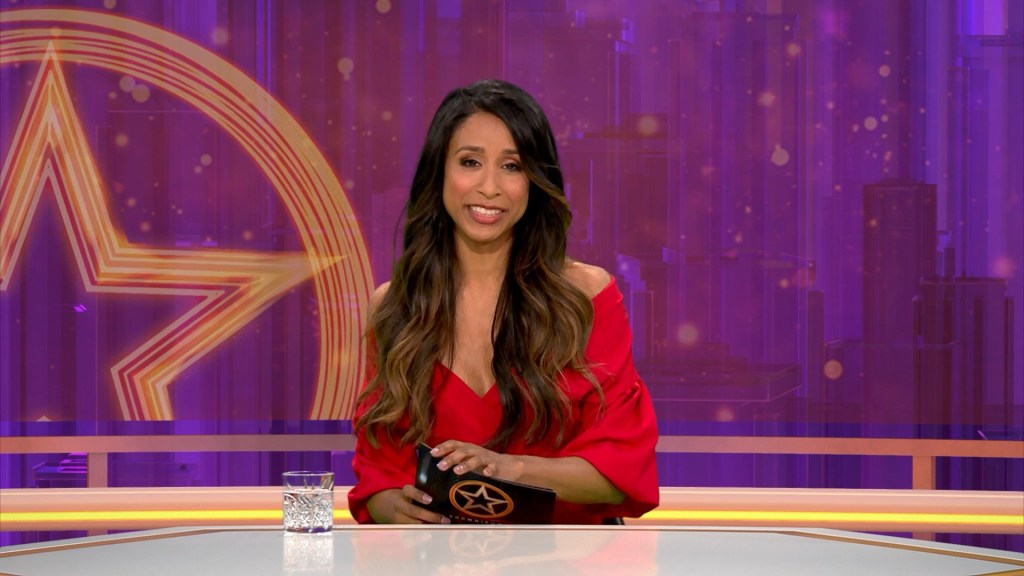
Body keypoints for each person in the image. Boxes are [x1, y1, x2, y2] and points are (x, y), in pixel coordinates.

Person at [348, 79, 658, 524]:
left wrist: (508, 469)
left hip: (569, 553)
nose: (489, 186)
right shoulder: (395, 307)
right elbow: (378, 472)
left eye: (512, 166)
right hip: (439, 555)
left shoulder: (585, 297)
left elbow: (619, 471)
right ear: (439, 171)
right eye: (470, 162)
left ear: (534, 181)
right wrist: (393, 508)